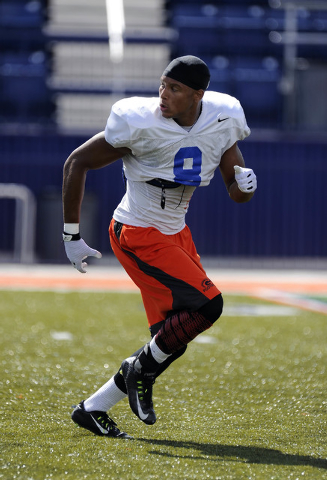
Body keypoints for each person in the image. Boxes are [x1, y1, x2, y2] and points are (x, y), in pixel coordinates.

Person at [62, 55, 257, 439]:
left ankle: (93, 408)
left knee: (172, 338)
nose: (163, 95)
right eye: (162, 84)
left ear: (199, 95)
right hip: (137, 231)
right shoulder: (139, 121)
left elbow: (235, 191)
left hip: (175, 233)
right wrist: (71, 236)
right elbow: (77, 162)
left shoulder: (223, 116)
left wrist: (246, 187)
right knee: (209, 306)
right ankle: (138, 372)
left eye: (175, 89)